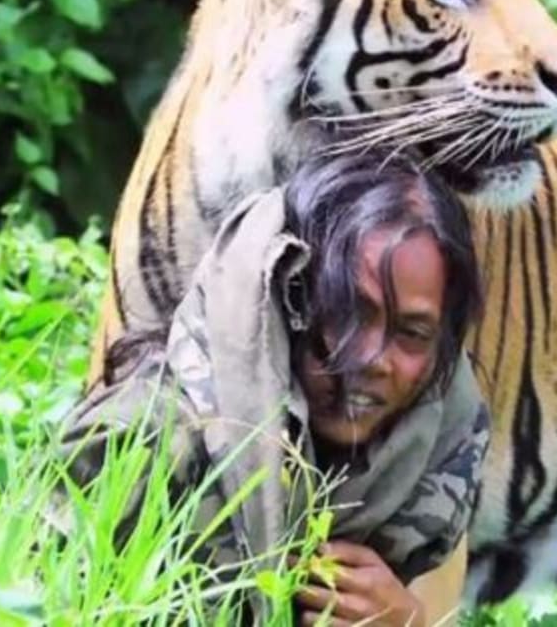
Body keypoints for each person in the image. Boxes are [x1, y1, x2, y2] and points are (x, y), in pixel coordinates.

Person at [56, 152, 490, 626]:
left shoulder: (424, 470)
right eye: (349, 312)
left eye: (412, 334)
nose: (374, 360)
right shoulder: (137, 447)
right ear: (290, 295)